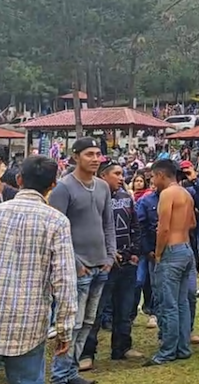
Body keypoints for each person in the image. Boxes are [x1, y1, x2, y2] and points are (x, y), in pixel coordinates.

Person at [0, 156, 77, 384]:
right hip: (28, 324)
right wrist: (64, 330)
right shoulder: (57, 221)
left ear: (19, 179)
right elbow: (64, 281)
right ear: (53, 185)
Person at [49, 138, 115, 384]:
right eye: (89, 154)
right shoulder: (64, 188)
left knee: (88, 323)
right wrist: (76, 263)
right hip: (78, 268)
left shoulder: (102, 186)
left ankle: (71, 373)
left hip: (101, 265)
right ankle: (60, 375)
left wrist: (110, 256)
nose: (96, 159)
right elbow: (58, 231)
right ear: (76, 156)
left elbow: (107, 223)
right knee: (71, 324)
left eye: (98, 154)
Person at [80, 161, 143, 369]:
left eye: (122, 173)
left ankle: (122, 348)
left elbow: (135, 225)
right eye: (117, 174)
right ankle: (87, 353)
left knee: (125, 308)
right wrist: (107, 253)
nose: (122, 177)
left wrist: (134, 252)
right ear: (103, 175)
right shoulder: (93, 198)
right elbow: (88, 230)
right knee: (95, 312)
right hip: (102, 264)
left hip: (127, 262)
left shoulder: (126, 197)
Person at [145, 160, 196, 366]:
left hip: (171, 251)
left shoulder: (167, 194)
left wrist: (158, 253)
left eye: (153, 177)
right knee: (182, 302)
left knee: (168, 304)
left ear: (161, 175)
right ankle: (182, 347)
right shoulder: (186, 193)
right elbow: (192, 222)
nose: (152, 181)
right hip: (186, 248)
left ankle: (167, 350)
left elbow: (163, 228)